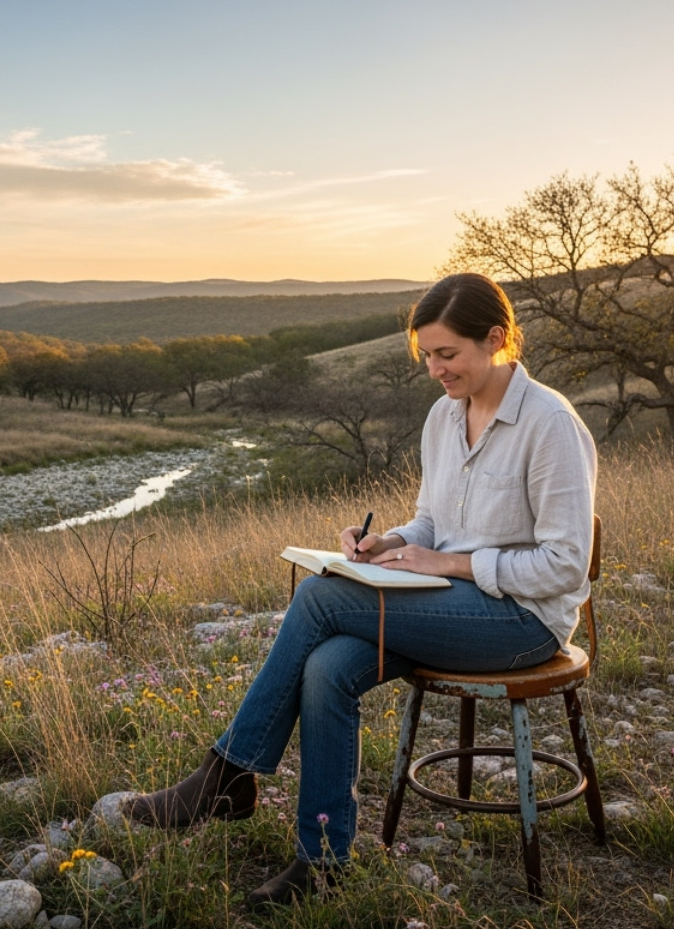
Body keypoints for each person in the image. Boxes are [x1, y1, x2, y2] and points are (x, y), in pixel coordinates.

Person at [123, 272, 598, 907]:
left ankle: (227, 774)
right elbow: (435, 521)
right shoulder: (444, 415)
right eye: (426, 354)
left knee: (319, 596)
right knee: (326, 667)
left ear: (497, 338)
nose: (435, 369)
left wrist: (448, 566)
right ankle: (322, 864)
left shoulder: (550, 424)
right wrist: (390, 543)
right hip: (444, 610)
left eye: (447, 354)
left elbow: (567, 564)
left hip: (519, 623)